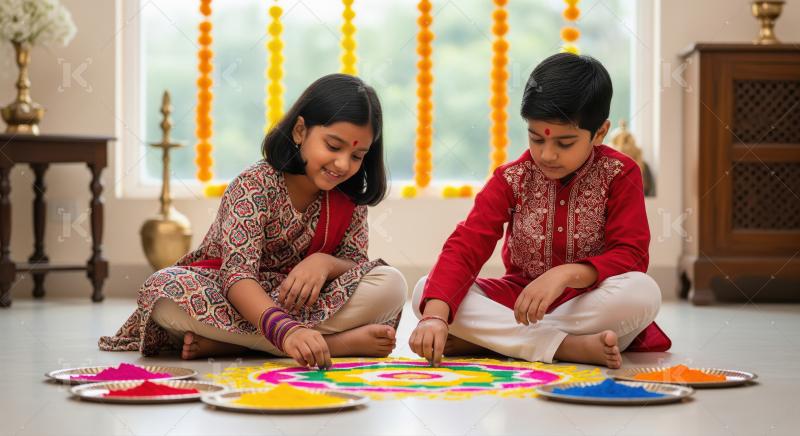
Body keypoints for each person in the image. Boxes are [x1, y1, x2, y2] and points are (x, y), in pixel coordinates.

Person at [100, 74, 407, 369]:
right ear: (300, 131)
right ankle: (334, 344)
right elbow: (237, 277)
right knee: (165, 290)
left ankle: (235, 344)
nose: (343, 164)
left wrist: (323, 263)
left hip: (303, 303)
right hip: (234, 297)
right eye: (333, 146)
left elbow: (355, 263)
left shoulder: (348, 198)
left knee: (391, 284)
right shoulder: (254, 185)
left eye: (358, 156)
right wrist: (287, 331)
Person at [409, 53, 671, 368]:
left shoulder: (620, 172)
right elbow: (467, 244)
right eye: (536, 138)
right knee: (426, 291)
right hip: (520, 302)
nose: (547, 154)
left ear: (600, 132)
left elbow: (631, 254)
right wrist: (435, 318)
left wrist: (565, 275)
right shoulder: (512, 177)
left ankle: (499, 341)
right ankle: (563, 347)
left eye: (565, 143)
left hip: (586, 301)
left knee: (642, 292)